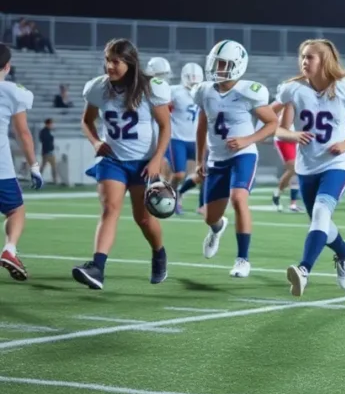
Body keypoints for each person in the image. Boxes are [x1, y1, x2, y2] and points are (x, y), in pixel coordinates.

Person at [72, 39, 172, 289]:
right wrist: (96, 142)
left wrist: (157, 159)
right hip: (113, 160)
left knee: (144, 219)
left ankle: (159, 254)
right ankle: (97, 268)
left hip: (143, 163)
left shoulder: (150, 88)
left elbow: (165, 126)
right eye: (107, 60)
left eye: (116, 61)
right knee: (110, 209)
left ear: (129, 62)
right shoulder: (98, 88)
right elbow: (86, 121)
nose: (110, 66)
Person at [275, 40, 345, 297]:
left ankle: (304, 270)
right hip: (306, 167)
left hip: (336, 164)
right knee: (321, 221)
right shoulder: (294, 90)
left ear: (324, 61)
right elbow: (280, 129)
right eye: (303, 57)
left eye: (310, 57)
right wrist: (294, 136)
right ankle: (344, 251)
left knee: (320, 213)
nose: (304, 62)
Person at [193, 40, 277, 278]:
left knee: (239, 198)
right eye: (215, 63)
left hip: (242, 154)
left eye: (223, 64)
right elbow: (201, 127)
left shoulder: (247, 92)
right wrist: (200, 160)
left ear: (237, 66)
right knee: (211, 216)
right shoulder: (204, 91)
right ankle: (217, 229)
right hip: (217, 158)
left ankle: (243, 259)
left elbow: (272, 123)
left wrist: (248, 139)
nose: (217, 68)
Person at [0, 44, 44, 281]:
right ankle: (10, 249)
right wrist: (34, 166)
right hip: (0, 166)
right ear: (7, 66)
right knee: (15, 210)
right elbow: (23, 133)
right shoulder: (13, 91)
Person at [164, 62, 203, 214]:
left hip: (196, 140)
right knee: (179, 174)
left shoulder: (203, 92)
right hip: (177, 138)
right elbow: (162, 109)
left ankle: (202, 205)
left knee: (205, 172)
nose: (193, 82)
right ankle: (171, 197)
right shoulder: (174, 91)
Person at [271, 83, 301, 213]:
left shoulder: (295, 102)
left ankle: (293, 203)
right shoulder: (277, 105)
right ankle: (277, 192)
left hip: (295, 137)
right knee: (293, 168)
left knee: (297, 170)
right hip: (283, 139)